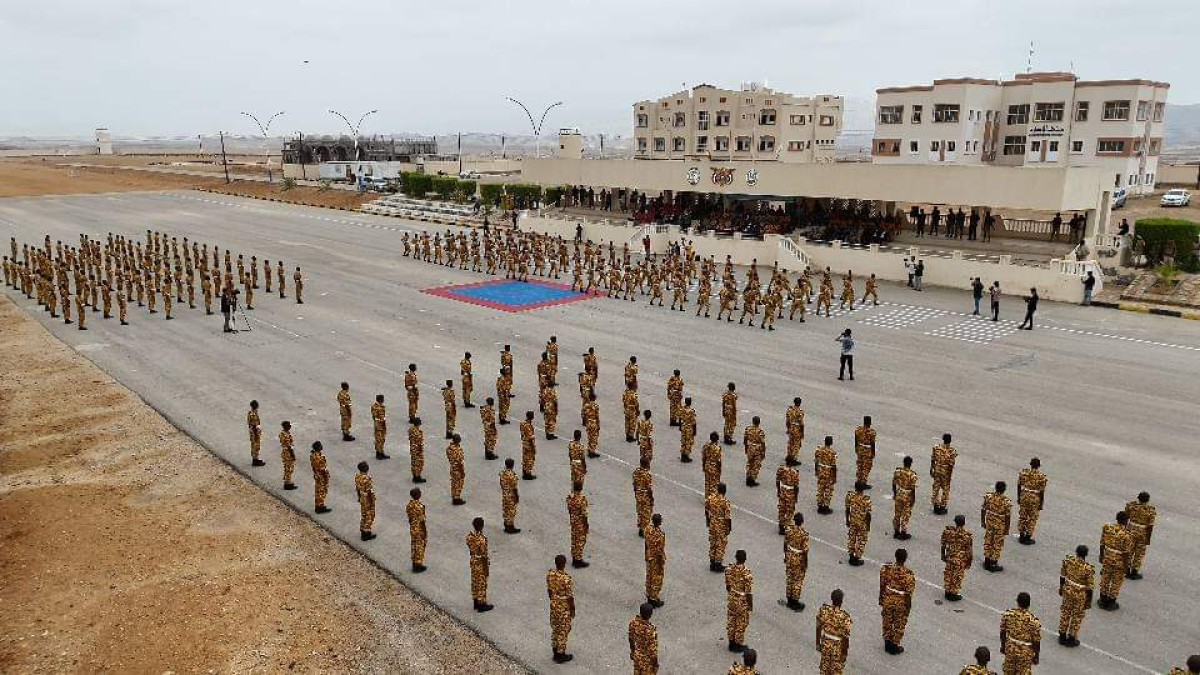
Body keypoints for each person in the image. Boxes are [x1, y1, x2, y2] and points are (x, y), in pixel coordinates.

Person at [879, 548, 915, 655]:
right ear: (905, 559)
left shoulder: (887, 569)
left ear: (895, 556)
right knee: (899, 624)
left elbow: (882, 585)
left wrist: (881, 598)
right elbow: (908, 595)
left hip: (888, 598)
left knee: (887, 621)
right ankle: (894, 646)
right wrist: (908, 608)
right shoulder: (909, 575)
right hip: (900, 602)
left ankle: (887, 643)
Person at [1058, 544, 1095, 647]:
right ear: (1086, 554)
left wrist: (1061, 587)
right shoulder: (1088, 568)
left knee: (1065, 611)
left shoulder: (1068, 561)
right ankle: (1071, 638)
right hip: (1080, 595)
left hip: (1068, 590)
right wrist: (1089, 601)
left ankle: (1062, 635)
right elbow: (1090, 588)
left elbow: (1062, 576)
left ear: (1076, 552)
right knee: (1077, 616)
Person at [1000, 592, 1041, 673]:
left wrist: (1003, 646)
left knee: (1008, 671)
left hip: (1011, 648)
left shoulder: (1009, 614)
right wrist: (1036, 656)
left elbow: (1002, 632)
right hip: (1025, 652)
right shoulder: (1034, 621)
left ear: (1017, 602)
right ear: (1029, 604)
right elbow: (1036, 641)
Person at [546, 554, 576, 663]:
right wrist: (572, 609)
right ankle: (561, 655)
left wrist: (553, 600)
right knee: (563, 630)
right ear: (563, 564)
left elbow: (549, 590)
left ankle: (555, 651)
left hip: (553, 605)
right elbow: (570, 597)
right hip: (563, 607)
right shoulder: (566, 578)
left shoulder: (550, 575)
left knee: (555, 627)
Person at [815, 589, 852, 675]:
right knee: (836, 671)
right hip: (837, 647)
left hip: (826, 644)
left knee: (824, 669)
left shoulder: (824, 610)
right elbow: (845, 638)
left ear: (831, 599)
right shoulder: (845, 617)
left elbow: (818, 627)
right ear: (841, 601)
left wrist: (817, 643)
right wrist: (844, 654)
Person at [724, 549, 754, 653]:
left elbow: (727, 585)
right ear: (745, 559)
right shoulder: (747, 574)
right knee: (741, 623)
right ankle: (737, 644)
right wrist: (750, 606)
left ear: (736, 557)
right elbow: (748, 593)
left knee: (732, 620)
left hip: (732, 598)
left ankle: (731, 642)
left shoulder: (729, 568)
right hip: (742, 601)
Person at [466, 517, 493, 612]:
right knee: (481, 583)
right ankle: (482, 604)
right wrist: (486, 567)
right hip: (481, 562)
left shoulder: (469, 536)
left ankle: (476, 602)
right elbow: (483, 554)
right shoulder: (482, 539)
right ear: (482, 526)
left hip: (473, 561)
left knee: (474, 581)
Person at [628, 603, 659, 675]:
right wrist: (656, 663)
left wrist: (633, 651)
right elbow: (652, 650)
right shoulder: (651, 629)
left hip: (637, 656)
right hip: (647, 661)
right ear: (650, 615)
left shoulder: (633, 622)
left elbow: (630, 638)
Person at [406, 488, 427, 573]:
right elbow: (422, 521)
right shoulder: (420, 506)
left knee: (414, 545)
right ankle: (418, 565)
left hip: (412, 527)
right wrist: (425, 531)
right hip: (419, 528)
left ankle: (414, 563)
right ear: (418, 495)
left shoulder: (409, 505)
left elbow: (410, 518)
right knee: (420, 546)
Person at [355, 461, 376, 541]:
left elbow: (357, 488)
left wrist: (359, 497)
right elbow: (369, 491)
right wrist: (372, 501)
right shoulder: (367, 478)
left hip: (362, 498)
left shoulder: (357, 476)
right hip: (367, 499)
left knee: (364, 514)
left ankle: (362, 529)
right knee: (370, 515)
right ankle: (366, 533)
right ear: (365, 468)